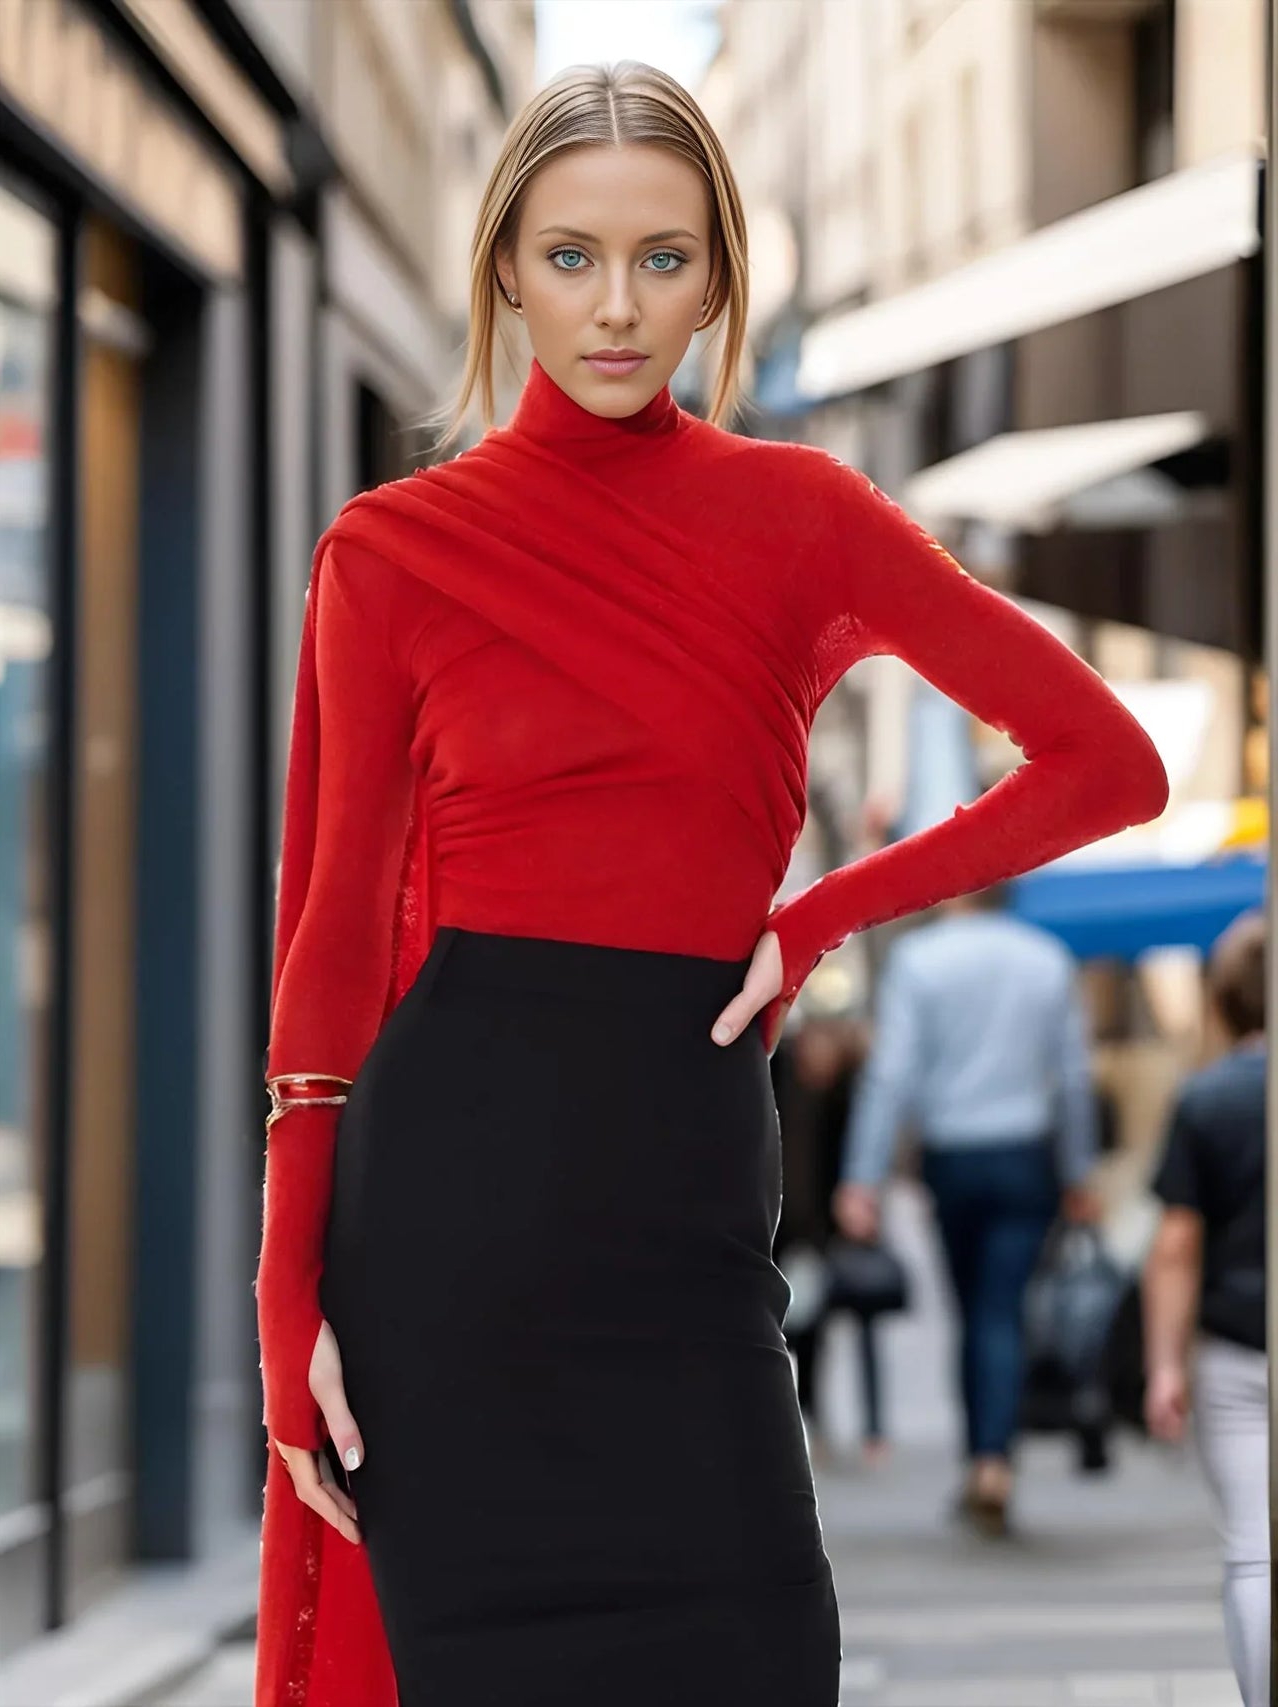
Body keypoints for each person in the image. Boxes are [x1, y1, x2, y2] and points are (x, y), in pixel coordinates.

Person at [251, 60, 1169, 1707]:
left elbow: (1107, 761)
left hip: (687, 1231)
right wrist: (283, 1309)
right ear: (504, 274)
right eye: (571, 256)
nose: (616, 306)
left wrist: (822, 914)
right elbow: (324, 946)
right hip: (446, 1239)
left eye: (663, 259)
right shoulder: (388, 554)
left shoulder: (803, 515)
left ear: (721, 283)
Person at [833, 886, 1104, 1536]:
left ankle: (981, 1457)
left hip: (952, 1154)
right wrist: (1079, 1168)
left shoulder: (918, 961)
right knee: (1001, 1306)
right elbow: (1071, 1075)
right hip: (1024, 1152)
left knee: (970, 1306)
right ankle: (993, 1459)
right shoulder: (1046, 958)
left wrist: (861, 1175)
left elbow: (890, 1072)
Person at [1143, 908, 1267, 1707]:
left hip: (1237, 1346)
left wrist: (1162, 1366)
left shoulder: (1208, 1098)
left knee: (1254, 1554)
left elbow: (1176, 1247)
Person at [771, 1011, 891, 1467]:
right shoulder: (777, 1083)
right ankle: (792, 1415)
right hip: (779, 1227)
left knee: (823, 1327)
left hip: (824, 1230)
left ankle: (844, 1420)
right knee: (785, 1322)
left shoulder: (844, 1097)